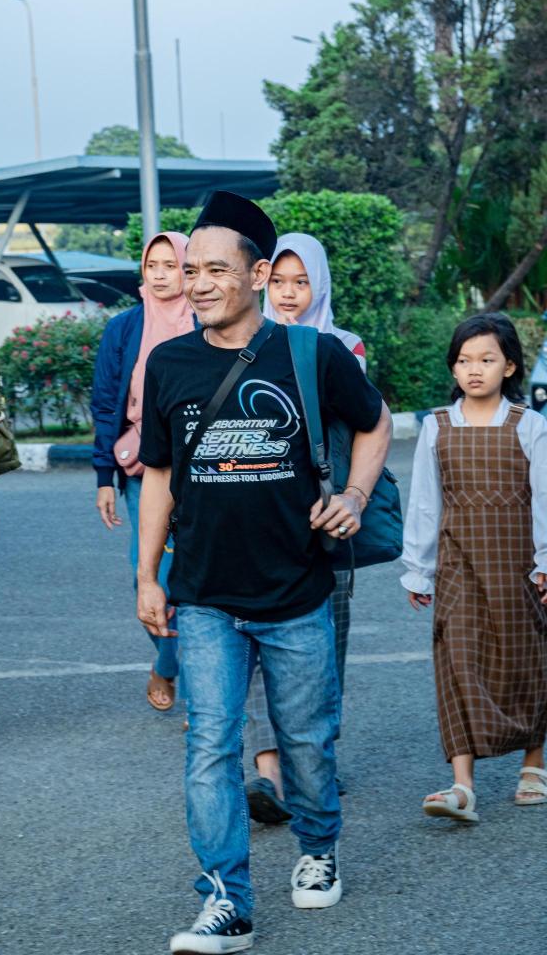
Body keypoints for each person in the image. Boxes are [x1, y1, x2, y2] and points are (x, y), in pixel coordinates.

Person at [136, 191, 391, 952]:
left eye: (216, 269)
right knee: (210, 746)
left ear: (255, 275)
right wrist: (147, 576)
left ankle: (318, 846)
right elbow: (159, 475)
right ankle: (226, 899)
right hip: (203, 594)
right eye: (191, 270)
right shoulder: (169, 362)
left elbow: (375, 422)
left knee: (307, 743)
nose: (199, 283)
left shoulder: (311, 354)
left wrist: (353, 495)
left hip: (297, 590)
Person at [401, 313, 547, 821]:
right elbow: (425, 503)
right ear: (453, 367)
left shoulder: (530, 425)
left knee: (526, 658)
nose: (474, 370)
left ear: (509, 366)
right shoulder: (436, 426)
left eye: (486, 359)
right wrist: (418, 569)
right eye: (464, 360)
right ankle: (463, 784)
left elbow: (545, 499)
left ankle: (534, 763)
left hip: (518, 566)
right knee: (457, 658)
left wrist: (546, 562)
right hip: (458, 563)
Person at [245, 233, 366, 823]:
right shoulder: (244, 342)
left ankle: (316, 759)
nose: (289, 293)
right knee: (255, 641)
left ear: (320, 285)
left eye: (302, 282)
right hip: (256, 516)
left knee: (326, 642)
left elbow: (357, 419)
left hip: (327, 517)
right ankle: (269, 770)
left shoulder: (344, 346)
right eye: (279, 282)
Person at [91, 231, 193, 711]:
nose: (160, 275)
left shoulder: (205, 321)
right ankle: (167, 663)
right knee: (148, 577)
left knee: (201, 579)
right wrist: (103, 478)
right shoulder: (124, 328)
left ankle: (201, 691)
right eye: (152, 265)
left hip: (204, 470)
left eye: (171, 265)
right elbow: (105, 403)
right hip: (143, 469)